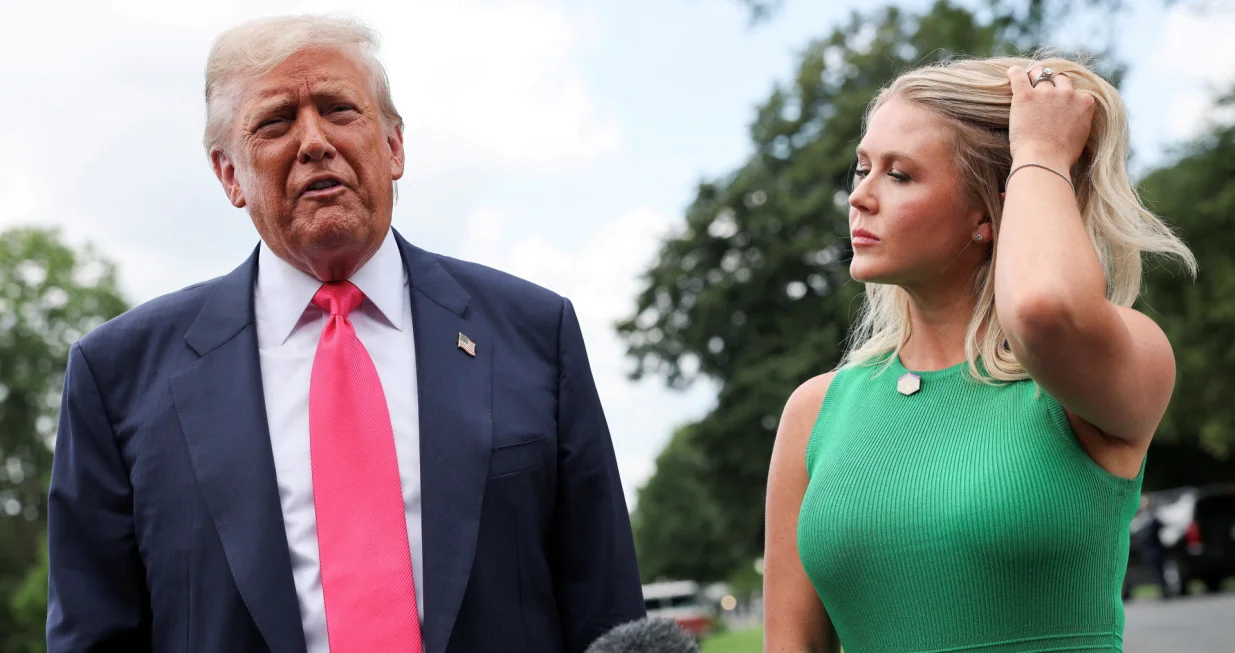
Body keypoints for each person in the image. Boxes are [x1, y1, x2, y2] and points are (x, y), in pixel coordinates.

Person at [45, 14, 644, 653]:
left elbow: (608, 616)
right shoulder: (117, 378)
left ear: (394, 147)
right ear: (229, 175)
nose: (314, 142)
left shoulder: (534, 334)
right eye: (275, 122)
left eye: (339, 109)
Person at [763, 56, 1196, 652]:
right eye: (862, 168)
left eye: (900, 175)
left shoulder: (1111, 362)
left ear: (986, 212)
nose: (859, 197)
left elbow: (1044, 309)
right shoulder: (815, 412)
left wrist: (1041, 152)